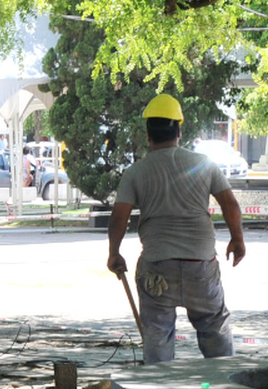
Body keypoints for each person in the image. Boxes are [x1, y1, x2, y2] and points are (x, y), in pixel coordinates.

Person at [106, 94, 247, 363]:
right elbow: (230, 203)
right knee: (214, 328)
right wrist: (237, 239)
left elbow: (118, 217)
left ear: (148, 134)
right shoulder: (204, 164)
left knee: (157, 333)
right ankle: (225, 385)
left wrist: (114, 253)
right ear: (179, 131)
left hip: (158, 267)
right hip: (201, 265)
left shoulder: (136, 172)